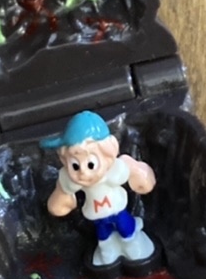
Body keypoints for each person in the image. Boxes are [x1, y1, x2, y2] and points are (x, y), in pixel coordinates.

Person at [41, 111, 156, 269]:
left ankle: (131, 242)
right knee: (103, 232)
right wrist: (61, 199)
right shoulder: (70, 180)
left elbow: (136, 173)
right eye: (75, 166)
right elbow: (61, 197)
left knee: (124, 226)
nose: (83, 173)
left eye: (90, 164)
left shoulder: (116, 170)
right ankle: (107, 249)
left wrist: (140, 177)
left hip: (116, 208)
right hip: (96, 212)